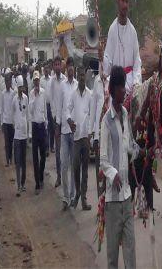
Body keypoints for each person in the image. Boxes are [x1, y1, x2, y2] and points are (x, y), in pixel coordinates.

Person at [101, 66, 147, 269]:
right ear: (113, 89)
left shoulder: (126, 114)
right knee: (112, 257)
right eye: (121, 88)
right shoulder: (106, 122)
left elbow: (128, 147)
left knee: (131, 251)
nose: (124, 92)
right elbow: (102, 159)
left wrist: (144, 151)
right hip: (112, 201)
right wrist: (113, 174)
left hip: (127, 198)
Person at [102, 0, 142, 99]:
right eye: (122, 1)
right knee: (108, 101)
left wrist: (136, 83)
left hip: (130, 81)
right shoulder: (112, 29)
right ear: (118, 3)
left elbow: (137, 61)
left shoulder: (133, 31)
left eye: (127, 2)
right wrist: (102, 59)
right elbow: (108, 59)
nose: (125, 5)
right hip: (116, 81)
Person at [67, 66, 92, 210]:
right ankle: (77, 193)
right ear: (78, 76)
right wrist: (69, 120)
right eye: (80, 75)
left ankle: (83, 199)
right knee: (76, 166)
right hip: (76, 137)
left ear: (86, 77)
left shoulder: (90, 94)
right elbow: (67, 110)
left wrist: (91, 132)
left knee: (85, 170)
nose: (82, 78)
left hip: (86, 137)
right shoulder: (73, 94)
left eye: (84, 76)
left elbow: (92, 114)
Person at [56, 57, 78, 210]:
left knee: (73, 165)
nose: (70, 69)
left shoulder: (79, 85)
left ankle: (72, 196)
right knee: (64, 165)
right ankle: (65, 197)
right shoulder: (62, 86)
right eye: (68, 66)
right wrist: (57, 126)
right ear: (66, 68)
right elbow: (59, 107)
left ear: (74, 69)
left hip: (75, 131)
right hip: (64, 131)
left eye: (72, 66)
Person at [89, 64, 109, 197]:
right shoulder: (96, 82)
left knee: (109, 170)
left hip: (110, 134)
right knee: (99, 171)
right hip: (98, 134)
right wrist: (92, 134)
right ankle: (100, 204)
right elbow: (93, 110)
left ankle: (108, 203)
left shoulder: (112, 80)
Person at [29, 71, 48, 195]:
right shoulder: (31, 94)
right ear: (33, 81)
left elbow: (45, 110)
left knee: (43, 156)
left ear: (39, 81)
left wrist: (46, 124)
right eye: (35, 80)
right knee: (35, 157)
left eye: (37, 80)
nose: (36, 82)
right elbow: (30, 110)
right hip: (35, 127)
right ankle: (37, 183)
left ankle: (41, 175)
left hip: (42, 127)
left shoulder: (44, 92)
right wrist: (35, 97)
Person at [50, 56, 66, 187]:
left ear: (61, 66)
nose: (57, 67)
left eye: (58, 64)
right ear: (53, 67)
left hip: (66, 119)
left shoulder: (66, 81)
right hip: (56, 121)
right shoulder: (52, 82)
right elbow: (52, 102)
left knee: (66, 150)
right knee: (58, 150)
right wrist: (55, 119)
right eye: (55, 64)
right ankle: (59, 177)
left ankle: (65, 176)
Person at [12, 75, 29, 197]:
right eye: (19, 87)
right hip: (17, 135)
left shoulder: (26, 98)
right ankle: (18, 185)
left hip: (24, 134)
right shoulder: (14, 100)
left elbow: (27, 115)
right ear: (16, 87)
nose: (20, 89)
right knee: (17, 161)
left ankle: (23, 184)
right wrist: (16, 127)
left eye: (22, 87)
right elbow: (13, 116)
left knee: (23, 161)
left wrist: (28, 133)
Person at [0, 71, 15, 167]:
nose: (8, 83)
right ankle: (7, 160)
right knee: (6, 141)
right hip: (5, 121)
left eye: (9, 81)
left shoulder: (14, 93)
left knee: (11, 141)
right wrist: (1, 122)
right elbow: (1, 108)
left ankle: (11, 157)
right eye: (6, 81)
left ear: (11, 82)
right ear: (5, 82)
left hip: (12, 122)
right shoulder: (3, 94)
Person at [40, 63, 54, 155]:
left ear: (49, 70)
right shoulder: (41, 80)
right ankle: (46, 147)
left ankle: (52, 146)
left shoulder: (51, 80)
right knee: (45, 127)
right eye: (45, 69)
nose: (46, 70)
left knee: (51, 127)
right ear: (43, 70)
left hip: (50, 106)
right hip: (43, 106)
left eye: (47, 69)